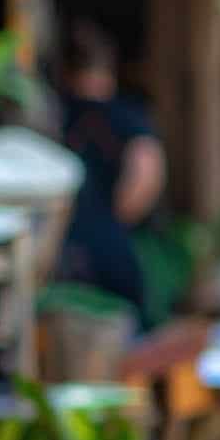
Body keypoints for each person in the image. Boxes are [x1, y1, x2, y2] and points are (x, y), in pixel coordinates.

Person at [56, 20, 165, 315]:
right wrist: (117, 219)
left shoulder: (57, 114)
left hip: (63, 250)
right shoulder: (126, 116)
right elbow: (146, 172)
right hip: (110, 247)